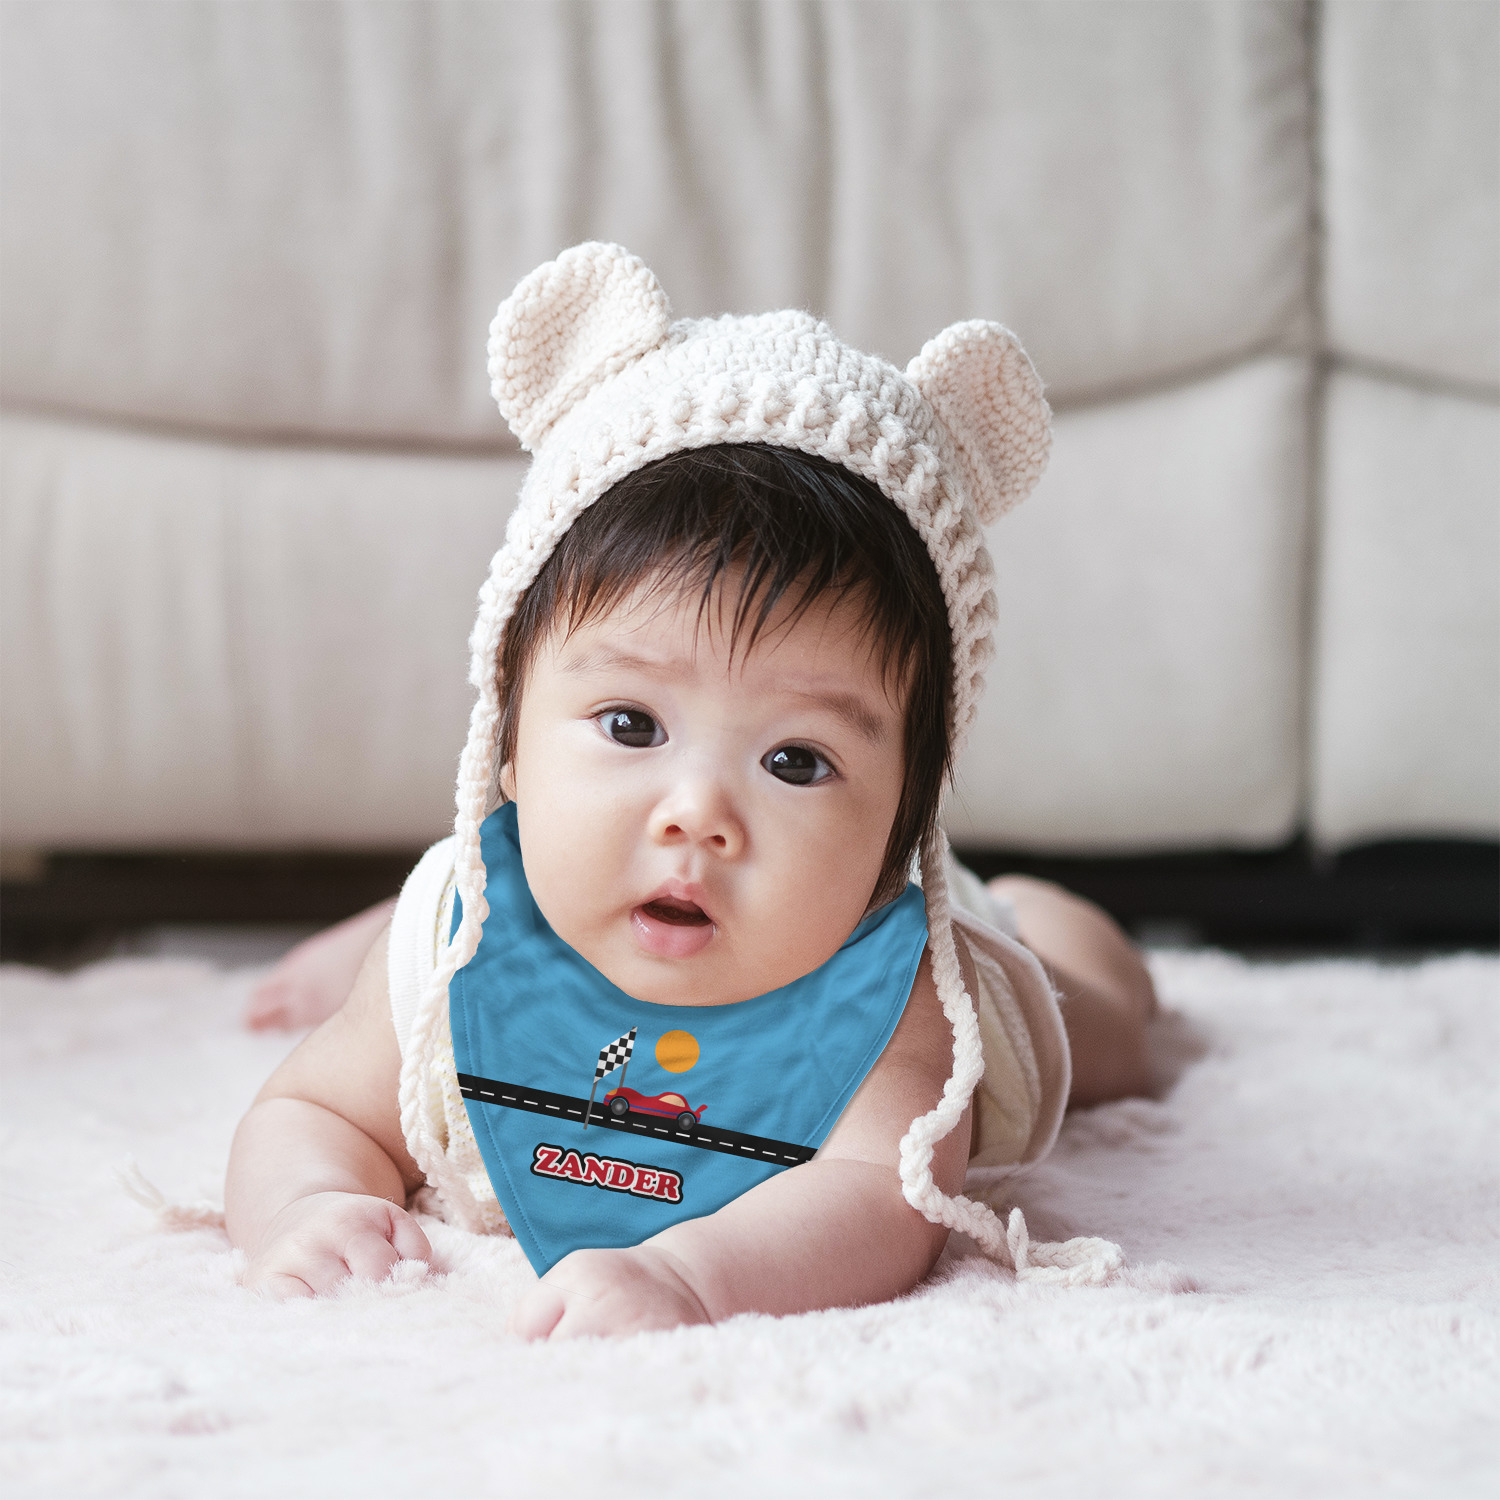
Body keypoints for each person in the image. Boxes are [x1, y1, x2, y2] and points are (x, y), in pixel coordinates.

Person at [225, 243, 1156, 1338]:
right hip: (524, 879)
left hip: (973, 947)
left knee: (1112, 1035)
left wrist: (691, 1277)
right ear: (507, 740)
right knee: (414, 952)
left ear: (904, 817)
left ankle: (1051, 917)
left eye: (796, 761)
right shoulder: (459, 941)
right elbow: (312, 1108)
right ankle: (377, 925)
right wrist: (310, 1201)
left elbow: (880, 1198)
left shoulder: (905, 1003)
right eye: (631, 726)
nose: (697, 815)